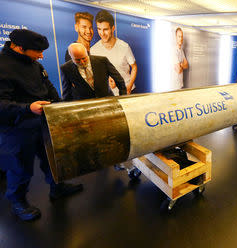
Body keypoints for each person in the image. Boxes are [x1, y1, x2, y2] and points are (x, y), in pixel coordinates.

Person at [0, 29, 83, 221]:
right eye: (37, 51)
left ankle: (57, 188)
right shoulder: (2, 66)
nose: (41, 55)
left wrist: (61, 105)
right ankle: (18, 202)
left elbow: (48, 86)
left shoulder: (34, 64)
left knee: (52, 158)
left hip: (42, 121)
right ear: (20, 48)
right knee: (20, 167)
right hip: (16, 126)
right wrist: (27, 108)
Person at [91, 10, 138, 96]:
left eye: (105, 29)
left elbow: (134, 67)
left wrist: (129, 87)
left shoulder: (124, 46)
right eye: (99, 29)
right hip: (107, 95)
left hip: (127, 92)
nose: (102, 33)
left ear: (113, 28)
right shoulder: (93, 50)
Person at [61, 43, 127, 101]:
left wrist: (123, 99)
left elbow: (119, 80)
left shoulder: (102, 61)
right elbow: (67, 92)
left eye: (84, 58)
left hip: (106, 100)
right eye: (77, 60)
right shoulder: (66, 68)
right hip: (84, 105)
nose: (82, 62)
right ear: (71, 57)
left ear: (87, 53)